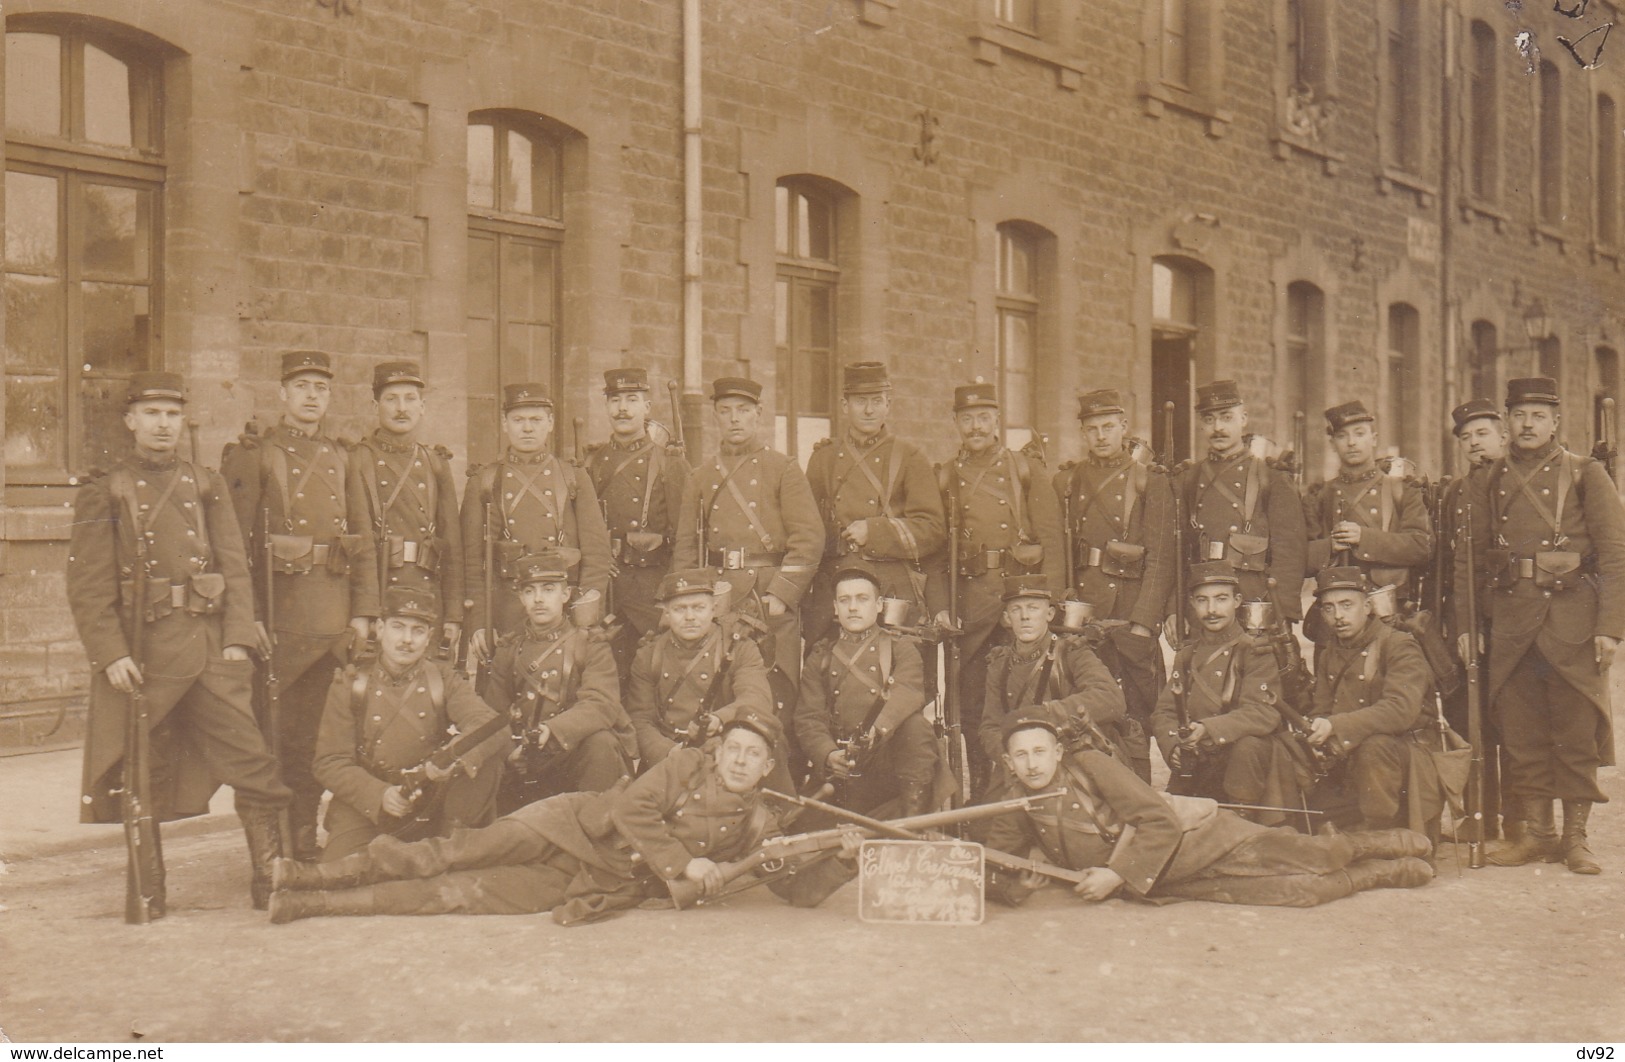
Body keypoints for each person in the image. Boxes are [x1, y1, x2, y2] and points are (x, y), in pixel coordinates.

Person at [266, 712, 851, 922]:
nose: (742, 762)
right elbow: (630, 807)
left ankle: (309, 904)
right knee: (446, 852)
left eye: (754, 756)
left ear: (768, 765)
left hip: (594, 877)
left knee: (455, 895)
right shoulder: (686, 764)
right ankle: (310, 874)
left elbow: (793, 889)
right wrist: (685, 862)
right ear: (719, 751)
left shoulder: (759, 824)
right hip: (569, 824)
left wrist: (840, 864)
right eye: (735, 750)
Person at [68, 371, 292, 911]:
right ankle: (150, 891)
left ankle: (273, 881)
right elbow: (88, 585)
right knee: (143, 774)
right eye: (151, 414)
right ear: (131, 422)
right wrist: (112, 653)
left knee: (253, 763)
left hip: (212, 651)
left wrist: (238, 638)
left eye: (172, 414)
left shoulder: (206, 483)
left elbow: (233, 566)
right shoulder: (108, 488)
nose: (163, 425)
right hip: (145, 657)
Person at [982, 715, 1433, 909]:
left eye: (1040, 751)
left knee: (1318, 857)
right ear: (1008, 762)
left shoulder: (1092, 766)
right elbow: (999, 855)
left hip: (1201, 837)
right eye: (1020, 756)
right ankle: (1377, 875)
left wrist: (1116, 875)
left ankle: (1384, 845)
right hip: (1168, 875)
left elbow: (1157, 819)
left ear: (1058, 750)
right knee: (1301, 893)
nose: (1032, 764)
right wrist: (1011, 887)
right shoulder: (1016, 796)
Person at [1454, 377, 1625, 874]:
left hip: (1571, 617)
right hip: (1510, 622)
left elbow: (1615, 554)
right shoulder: (1490, 479)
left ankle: (1575, 838)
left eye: (1538, 415)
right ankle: (1537, 833)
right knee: (1522, 733)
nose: (1528, 424)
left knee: (1574, 733)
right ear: (1507, 422)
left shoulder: (1585, 473)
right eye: (1520, 415)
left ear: (1555, 423)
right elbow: (1470, 559)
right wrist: (1470, 622)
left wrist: (1610, 627)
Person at [220, 350, 375, 861]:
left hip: (331, 626)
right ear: (282, 393)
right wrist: (248, 621)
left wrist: (361, 612)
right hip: (280, 627)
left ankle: (304, 837)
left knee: (315, 741)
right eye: (302, 386)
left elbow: (361, 537)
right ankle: (272, 850)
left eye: (321, 388)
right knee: (274, 744)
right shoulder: (257, 455)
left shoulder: (342, 456)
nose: (312, 396)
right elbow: (234, 548)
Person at [926, 380, 1065, 785]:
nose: (975, 427)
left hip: (1020, 606)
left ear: (998, 420)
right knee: (972, 709)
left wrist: (1048, 609)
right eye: (967, 419)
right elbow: (935, 554)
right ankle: (985, 792)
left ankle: (1032, 785)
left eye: (983, 417)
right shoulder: (946, 476)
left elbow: (1052, 540)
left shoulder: (1025, 469)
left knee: (1028, 702)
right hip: (969, 612)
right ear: (955, 422)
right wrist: (940, 607)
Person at [312, 587, 507, 861]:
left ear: (428, 638)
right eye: (398, 627)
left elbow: (490, 725)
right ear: (380, 629)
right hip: (370, 805)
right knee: (342, 874)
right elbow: (329, 761)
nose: (407, 639)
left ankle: (450, 847)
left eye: (418, 630)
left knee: (485, 763)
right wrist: (380, 794)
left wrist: (454, 757)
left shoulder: (442, 678)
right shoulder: (350, 683)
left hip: (430, 798)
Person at [672, 376, 825, 693]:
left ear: (759, 413)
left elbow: (809, 538)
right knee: (721, 686)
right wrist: (692, 601)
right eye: (725, 410)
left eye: (743, 410)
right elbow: (686, 548)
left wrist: (781, 595)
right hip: (720, 595)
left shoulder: (783, 468)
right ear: (715, 416)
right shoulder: (700, 476)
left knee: (776, 687)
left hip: (768, 596)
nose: (734, 418)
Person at [1052, 388, 1173, 781]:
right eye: (1092, 429)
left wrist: (1144, 621)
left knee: (1137, 713)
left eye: (1108, 427)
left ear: (1123, 427)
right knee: (1088, 707)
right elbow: (1062, 549)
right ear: (1082, 434)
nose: (1101, 436)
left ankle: (1140, 790)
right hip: (1085, 614)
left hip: (1129, 613)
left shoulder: (1149, 482)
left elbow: (1160, 557)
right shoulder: (1069, 481)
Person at [462, 383, 612, 659]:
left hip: (563, 612)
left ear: (551, 423)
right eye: (518, 420)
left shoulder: (573, 477)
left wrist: (585, 617)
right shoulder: (484, 481)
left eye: (536, 420)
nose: (527, 428)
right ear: (504, 424)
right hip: (505, 614)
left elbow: (597, 554)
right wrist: (479, 624)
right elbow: (472, 562)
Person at [803, 362, 946, 646]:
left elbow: (933, 529)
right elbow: (808, 530)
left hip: (891, 590)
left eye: (876, 401)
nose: (869, 410)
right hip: (836, 589)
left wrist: (875, 531)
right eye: (860, 401)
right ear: (845, 405)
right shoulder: (823, 458)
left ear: (888, 405)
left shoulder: (910, 457)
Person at [485, 551, 636, 814]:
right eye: (530, 591)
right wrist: (510, 751)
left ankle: (601, 831)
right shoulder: (509, 649)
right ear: (521, 597)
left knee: (601, 743)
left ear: (565, 595)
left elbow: (600, 704)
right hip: (523, 761)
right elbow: (494, 713)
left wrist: (552, 731)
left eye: (549, 589)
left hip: (573, 757)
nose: (539, 599)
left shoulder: (590, 644)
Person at [1149, 562, 1296, 822]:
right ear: (1192, 604)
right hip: (1197, 761)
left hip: (1242, 765)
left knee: (1249, 746)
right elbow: (1165, 711)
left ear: (1237, 601)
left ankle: (1243, 821)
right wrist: (1172, 744)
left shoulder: (1255, 651)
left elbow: (1263, 713)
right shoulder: (1187, 656)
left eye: (1221, 599)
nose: (1212, 610)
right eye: (1202, 601)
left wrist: (1207, 729)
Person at [1300, 566, 1442, 834]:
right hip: (1351, 759)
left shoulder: (1398, 644)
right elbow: (1322, 707)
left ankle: (1383, 838)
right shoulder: (1331, 650)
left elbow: (1401, 711)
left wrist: (1335, 726)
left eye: (1346, 605)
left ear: (1367, 606)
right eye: (1328, 608)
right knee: (1306, 823)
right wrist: (1315, 728)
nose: (1338, 616)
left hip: (1405, 759)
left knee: (1375, 747)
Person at [796, 565, 940, 817]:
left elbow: (908, 692)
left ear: (879, 604)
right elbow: (809, 718)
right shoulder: (820, 655)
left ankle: (914, 821)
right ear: (835, 608)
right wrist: (828, 755)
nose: (852, 607)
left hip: (890, 764)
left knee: (916, 728)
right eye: (844, 600)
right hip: (845, 767)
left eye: (862, 599)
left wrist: (876, 729)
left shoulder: (901, 648)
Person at [582, 368, 692, 681]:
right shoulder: (593, 464)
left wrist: (673, 599)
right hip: (608, 591)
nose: (622, 408)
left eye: (632, 399)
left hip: (651, 592)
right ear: (606, 407)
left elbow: (684, 536)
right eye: (615, 400)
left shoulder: (670, 463)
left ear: (647, 408)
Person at [348, 360, 464, 653]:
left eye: (410, 399)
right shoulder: (358, 460)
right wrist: (367, 610)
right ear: (375, 406)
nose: (402, 408)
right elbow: (359, 540)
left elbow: (452, 544)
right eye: (391, 399)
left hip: (427, 593)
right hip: (382, 591)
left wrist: (453, 613)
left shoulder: (435, 463)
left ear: (422, 407)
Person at [1174, 380, 1306, 632]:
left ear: (1243, 418)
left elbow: (1289, 551)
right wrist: (1176, 610)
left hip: (1254, 603)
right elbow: (1178, 552)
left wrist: (1283, 612)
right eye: (1209, 419)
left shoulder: (1271, 477)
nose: (1218, 428)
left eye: (1226, 417)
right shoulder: (1189, 478)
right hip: (1204, 607)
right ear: (1201, 424)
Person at [625, 568, 776, 769]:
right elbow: (641, 719)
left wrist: (718, 720)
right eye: (680, 609)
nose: (690, 617)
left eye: (698, 607)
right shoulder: (649, 656)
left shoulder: (738, 647)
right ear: (667, 613)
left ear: (713, 609)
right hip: (669, 756)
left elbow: (756, 699)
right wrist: (668, 752)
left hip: (724, 750)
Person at [977, 575, 1128, 775]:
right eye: (1016, 609)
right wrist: (1013, 757)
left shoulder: (1071, 652)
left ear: (1049, 614)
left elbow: (1110, 698)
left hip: (1073, 759)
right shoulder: (999, 664)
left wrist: (1047, 714)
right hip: (1023, 766)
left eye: (1033, 608)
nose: (1025, 617)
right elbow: (990, 727)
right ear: (1006, 618)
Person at [1302, 400, 1433, 615]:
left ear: (1373, 439)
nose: (1351, 442)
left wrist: (1365, 538)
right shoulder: (1319, 496)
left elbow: (1423, 546)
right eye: (1342, 436)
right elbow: (1299, 559)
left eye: (1359, 433)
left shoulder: (1402, 489)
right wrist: (1329, 547)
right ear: (1333, 444)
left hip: (1389, 611)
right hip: (1336, 612)